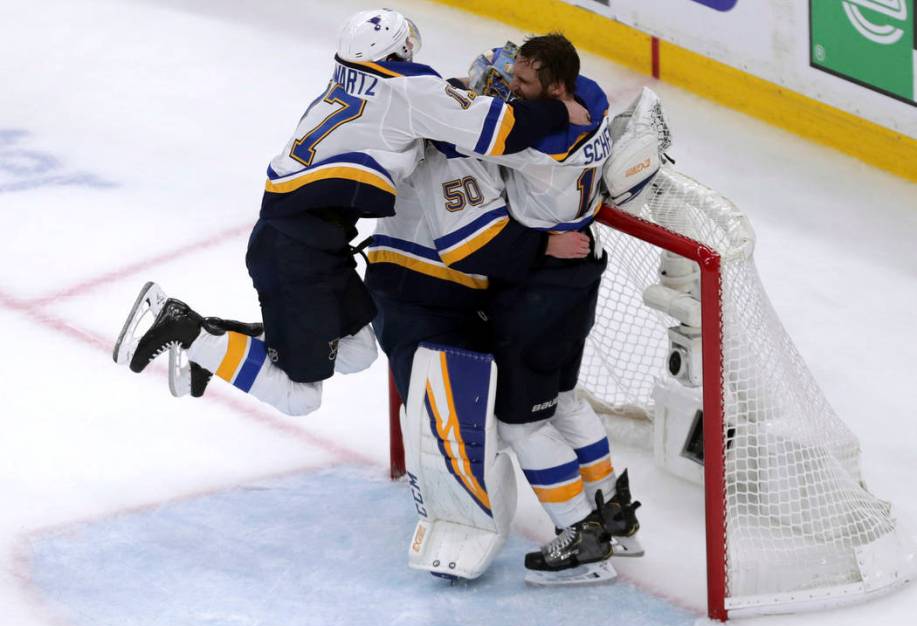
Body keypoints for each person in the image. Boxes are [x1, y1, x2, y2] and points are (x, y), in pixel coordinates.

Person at [112, 9, 588, 416]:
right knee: (301, 396)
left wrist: (456, 94)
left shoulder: (346, 79)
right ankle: (188, 330)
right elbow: (500, 130)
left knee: (359, 351)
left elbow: (415, 113)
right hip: (299, 251)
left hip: (307, 241)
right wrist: (559, 113)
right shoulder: (407, 90)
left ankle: (220, 345)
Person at [462, 35, 643, 582]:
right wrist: (542, 100)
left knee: (520, 425)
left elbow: (467, 135)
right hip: (579, 273)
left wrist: (479, 96)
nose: (513, 90)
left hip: (539, 290)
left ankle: (581, 535)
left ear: (556, 87)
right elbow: (553, 108)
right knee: (564, 399)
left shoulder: (536, 148)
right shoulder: (593, 99)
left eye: (523, 83)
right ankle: (616, 518)